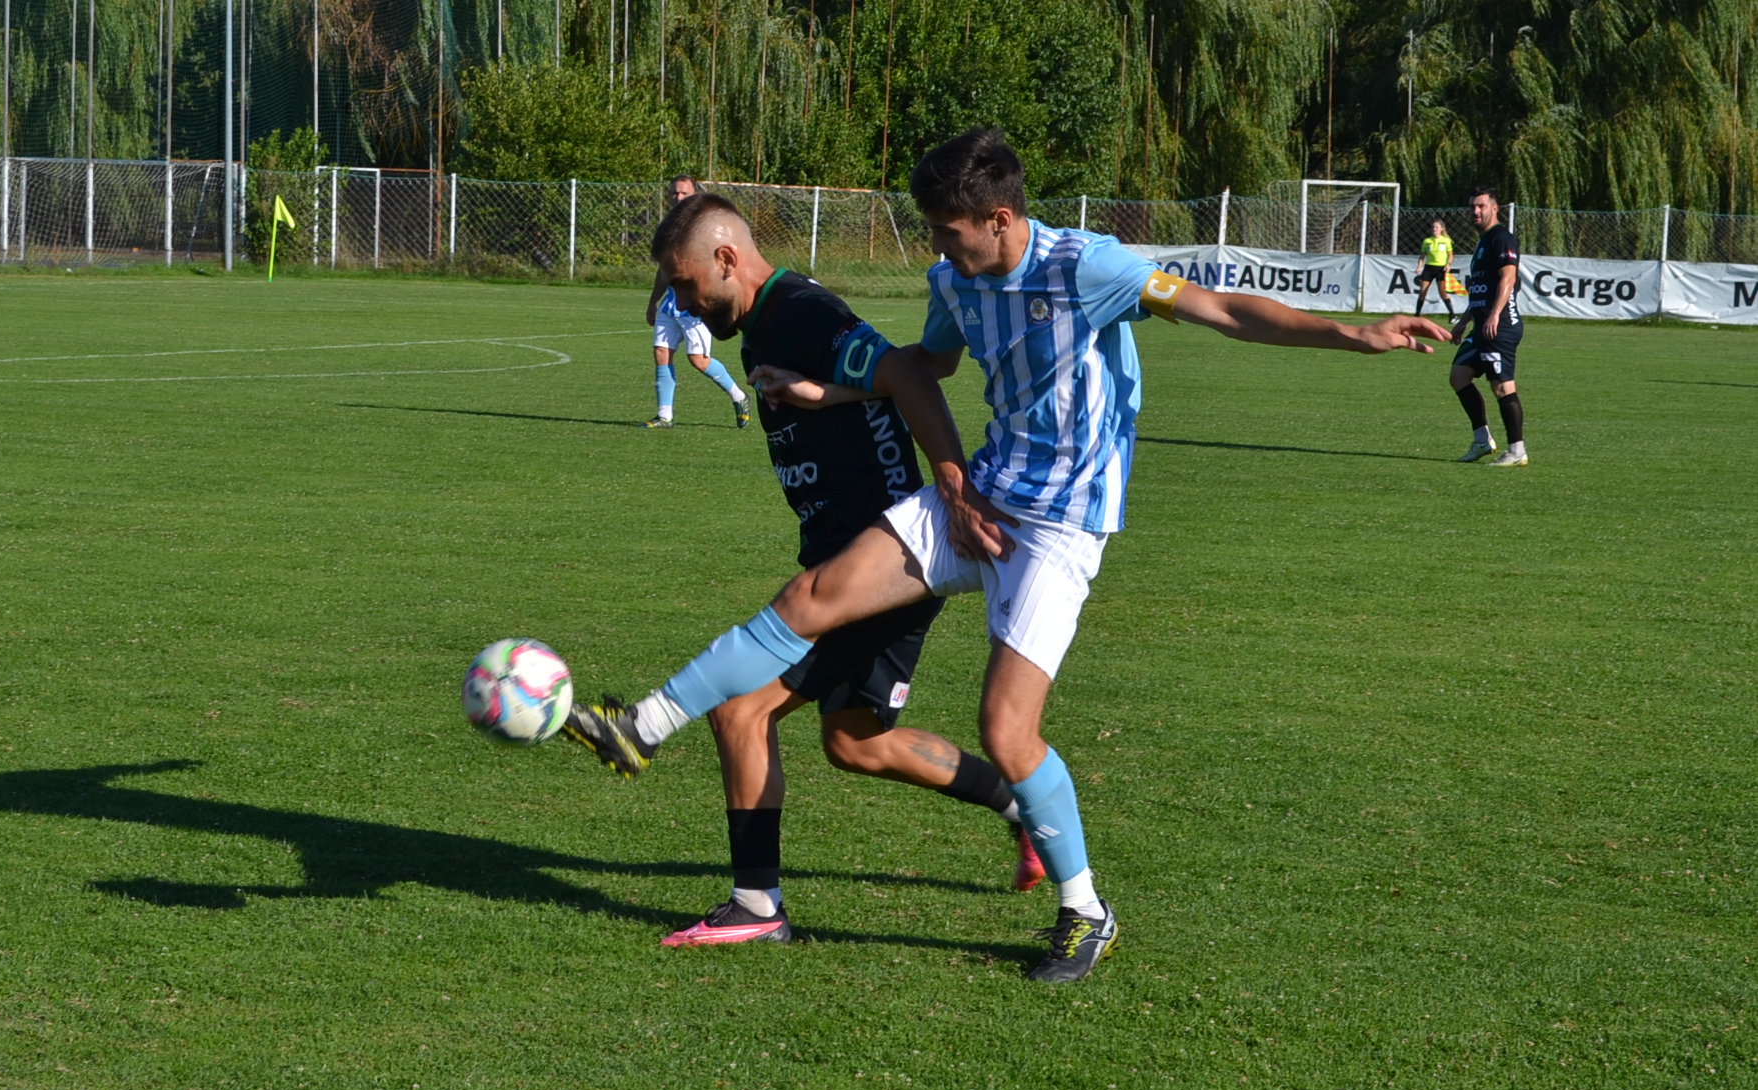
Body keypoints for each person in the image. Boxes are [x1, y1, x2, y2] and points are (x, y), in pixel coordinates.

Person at [567, 128, 1449, 983]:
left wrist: (1352, 334)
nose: (940, 250)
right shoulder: (953, 278)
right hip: (979, 495)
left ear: (996, 218)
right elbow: (929, 364)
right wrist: (838, 395)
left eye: (950, 232)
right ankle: (642, 725)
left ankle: (1085, 909)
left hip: (1061, 525)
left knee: (1005, 729)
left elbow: (1220, 310)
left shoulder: (1086, 267)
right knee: (814, 593)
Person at [623, 196, 1043, 945]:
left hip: (876, 566)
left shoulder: (797, 312)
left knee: (740, 709)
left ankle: (755, 905)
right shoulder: (760, 324)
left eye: (686, 285)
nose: (683, 302)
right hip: (852, 559)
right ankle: (1023, 805)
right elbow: (877, 381)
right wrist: (822, 395)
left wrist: (951, 490)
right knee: (855, 740)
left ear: (726, 259)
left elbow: (910, 375)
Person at [643, 175, 752, 429]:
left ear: (695, 195)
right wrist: (652, 302)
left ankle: (739, 396)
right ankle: (664, 416)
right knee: (661, 353)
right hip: (670, 305)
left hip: (696, 305)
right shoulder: (668, 228)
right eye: (674, 193)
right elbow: (664, 270)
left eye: (684, 193)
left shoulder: (707, 226)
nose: (678, 198)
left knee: (698, 360)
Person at [1449, 186, 1528, 466]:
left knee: (1503, 388)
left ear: (1494, 208)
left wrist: (1495, 314)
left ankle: (1517, 451)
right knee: (1458, 376)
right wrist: (1463, 322)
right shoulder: (1483, 241)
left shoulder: (1501, 238)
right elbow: (1481, 289)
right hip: (1480, 326)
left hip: (1500, 327)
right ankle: (1482, 441)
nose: (1475, 211)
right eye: (1472, 206)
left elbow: (1508, 278)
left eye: (1481, 206)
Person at [1413, 221, 1457, 321]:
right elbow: (1422, 256)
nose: (1434, 229)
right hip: (1429, 268)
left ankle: (1452, 315)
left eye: (1436, 227)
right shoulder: (1427, 241)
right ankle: (1417, 315)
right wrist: (1419, 267)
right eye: (1433, 227)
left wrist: (1448, 264)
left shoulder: (1446, 240)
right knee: (1422, 292)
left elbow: (1450, 255)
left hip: (1440, 269)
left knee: (1442, 293)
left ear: (1441, 229)